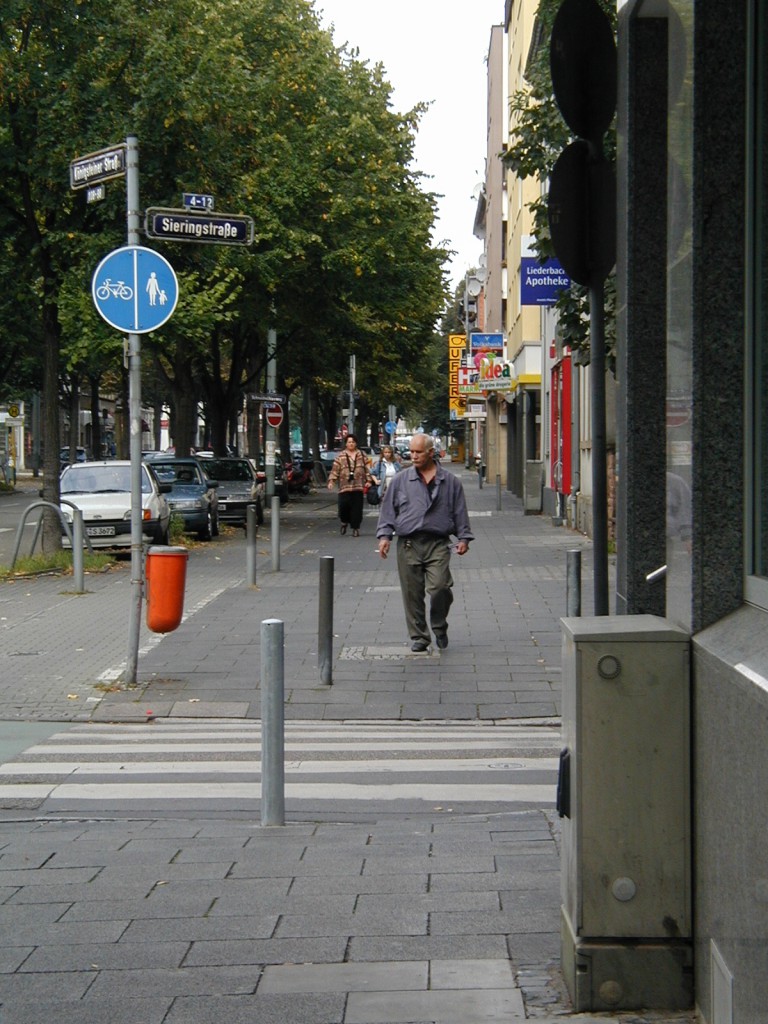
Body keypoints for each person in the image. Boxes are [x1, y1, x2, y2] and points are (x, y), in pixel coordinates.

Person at [376, 433, 473, 652]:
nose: (414, 456)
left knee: (439, 587)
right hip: (408, 543)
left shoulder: (450, 481)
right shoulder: (401, 480)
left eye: (418, 452)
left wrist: (464, 537)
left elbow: (459, 511)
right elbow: (388, 511)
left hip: (438, 543)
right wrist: (384, 537)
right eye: (411, 452)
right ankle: (420, 635)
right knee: (412, 593)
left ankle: (439, 625)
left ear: (431, 452)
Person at [327, 433, 371, 537]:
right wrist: (331, 481)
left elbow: (367, 468)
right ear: (346, 444)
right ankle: (344, 522)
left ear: (356, 443)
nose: (351, 444)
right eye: (349, 442)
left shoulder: (362, 454)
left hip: (358, 486)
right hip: (344, 486)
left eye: (353, 442)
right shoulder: (341, 456)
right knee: (343, 506)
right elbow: (335, 469)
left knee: (357, 508)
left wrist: (369, 480)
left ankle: (356, 528)